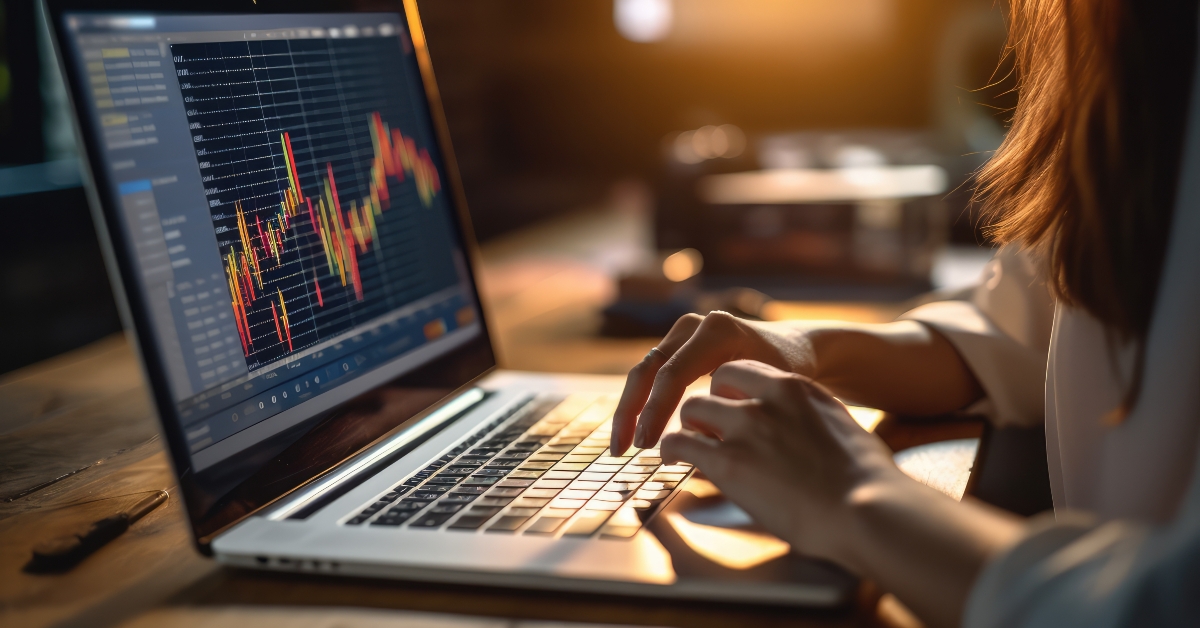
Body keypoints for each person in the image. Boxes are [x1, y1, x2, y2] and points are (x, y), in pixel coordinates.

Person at [610, 2, 1200, 626]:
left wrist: (858, 496)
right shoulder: (1139, 48)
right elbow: (1018, 326)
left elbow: (1164, 601)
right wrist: (807, 348)